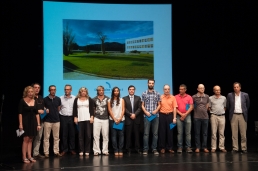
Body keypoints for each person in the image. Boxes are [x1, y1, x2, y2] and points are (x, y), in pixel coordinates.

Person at [19, 86, 41, 163]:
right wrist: (20, 124)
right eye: (29, 92)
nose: (31, 93)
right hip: (25, 122)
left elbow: (37, 114)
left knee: (31, 139)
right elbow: (20, 113)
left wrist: (38, 124)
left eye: (32, 92)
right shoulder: (22, 101)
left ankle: (29, 156)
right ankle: (24, 157)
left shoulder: (35, 101)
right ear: (26, 92)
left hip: (33, 122)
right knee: (26, 139)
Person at [226, 82, 250, 153]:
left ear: (240, 88)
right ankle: (235, 148)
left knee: (243, 133)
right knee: (234, 133)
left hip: (242, 115)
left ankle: (243, 148)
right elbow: (228, 105)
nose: (236, 88)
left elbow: (247, 105)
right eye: (234, 87)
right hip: (234, 115)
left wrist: (244, 111)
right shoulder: (230, 95)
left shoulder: (245, 95)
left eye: (237, 87)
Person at [73, 87, 94, 156]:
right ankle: (81, 150)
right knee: (80, 136)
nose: (83, 92)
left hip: (88, 119)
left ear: (86, 92)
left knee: (88, 135)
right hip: (79, 120)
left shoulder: (89, 99)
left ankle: (87, 150)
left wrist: (92, 117)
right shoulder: (76, 100)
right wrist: (75, 117)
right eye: (82, 91)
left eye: (85, 91)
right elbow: (74, 109)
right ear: (80, 92)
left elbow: (92, 109)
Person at [141, 79, 161, 155]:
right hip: (147, 116)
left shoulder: (157, 93)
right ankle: (145, 149)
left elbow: (159, 104)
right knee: (146, 133)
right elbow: (142, 105)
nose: (151, 84)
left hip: (155, 116)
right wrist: (145, 112)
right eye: (150, 83)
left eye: (152, 83)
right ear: (147, 84)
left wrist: (156, 110)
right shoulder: (144, 93)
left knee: (155, 133)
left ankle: (154, 149)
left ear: (154, 84)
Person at [43, 85, 62, 157]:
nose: (53, 91)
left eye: (54, 90)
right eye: (51, 90)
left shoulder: (58, 99)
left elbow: (59, 108)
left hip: (56, 121)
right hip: (47, 121)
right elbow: (43, 108)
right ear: (49, 91)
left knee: (56, 137)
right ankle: (46, 152)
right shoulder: (45, 99)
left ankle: (56, 151)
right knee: (46, 138)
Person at [123, 85, 142, 154]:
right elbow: (124, 108)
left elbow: (140, 108)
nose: (131, 90)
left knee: (137, 135)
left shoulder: (138, 98)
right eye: (130, 89)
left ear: (134, 90)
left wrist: (135, 114)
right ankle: (128, 149)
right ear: (128, 90)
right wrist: (130, 114)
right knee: (128, 135)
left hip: (136, 119)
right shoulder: (124, 98)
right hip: (128, 119)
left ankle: (137, 148)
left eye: (133, 89)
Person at [175, 84, 194, 153]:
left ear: (185, 90)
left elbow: (191, 107)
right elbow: (175, 108)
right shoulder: (176, 97)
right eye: (180, 89)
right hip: (179, 115)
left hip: (187, 115)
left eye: (182, 89)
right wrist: (181, 114)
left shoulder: (189, 97)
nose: (180, 90)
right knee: (180, 132)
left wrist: (185, 114)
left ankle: (188, 147)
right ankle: (180, 147)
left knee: (188, 133)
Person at [159, 84, 177, 153]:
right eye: (165, 89)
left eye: (168, 89)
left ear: (170, 90)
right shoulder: (160, 97)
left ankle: (170, 147)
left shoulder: (173, 97)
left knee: (170, 132)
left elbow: (174, 108)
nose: (167, 90)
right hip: (162, 115)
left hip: (170, 115)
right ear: (163, 90)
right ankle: (162, 147)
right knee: (162, 132)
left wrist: (174, 118)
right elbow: (158, 107)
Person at [92, 86, 110, 156]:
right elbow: (93, 109)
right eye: (100, 90)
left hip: (105, 118)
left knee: (105, 135)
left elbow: (109, 109)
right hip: (97, 118)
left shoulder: (108, 99)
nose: (101, 91)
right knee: (96, 135)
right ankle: (96, 150)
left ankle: (105, 150)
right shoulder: (94, 99)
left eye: (102, 90)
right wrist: (93, 117)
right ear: (97, 91)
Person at [209, 85, 227, 153]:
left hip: (222, 116)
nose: (218, 91)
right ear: (214, 91)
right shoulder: (210, 98)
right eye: (216, 90)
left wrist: (221, 112)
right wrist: (214, 112)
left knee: (221, 133)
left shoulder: (224, 98)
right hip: (214, 116)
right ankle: (213, 147)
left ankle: (221, 147)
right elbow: (209, 107)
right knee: (213, 132)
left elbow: (225, 107)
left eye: (219, 90)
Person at [192, 84, 210, 153]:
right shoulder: (194, 97)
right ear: (197, 89)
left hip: (205, 117)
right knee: (197, 133)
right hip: (197, 117)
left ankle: (204, 147)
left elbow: (207, 105)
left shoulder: (207, 96)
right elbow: (190, 106)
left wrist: (205, 110)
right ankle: (198, 147)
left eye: (203, 88)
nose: (202, 89)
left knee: (205, 133)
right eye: (201, 88)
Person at [59, 84, 76, 155]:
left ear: (71, 90)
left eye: (68, 89)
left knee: (72, 134)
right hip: (63, 117)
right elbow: (59, 108)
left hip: (72, 117)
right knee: (64, 134)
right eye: (65, 89)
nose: (67, 91)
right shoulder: (60, 98)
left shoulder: (75, 98)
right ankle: (64, 150)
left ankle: (71, 149)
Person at [108, 87, 125, 156]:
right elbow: (109, 110)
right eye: (115, 91)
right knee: (113, 136)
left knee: (121, 135)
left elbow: (123, 109)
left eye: (117, 91)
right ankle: (115, 150)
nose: (116, 92)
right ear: (113, 92)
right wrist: (114, 119)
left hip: (121, 120)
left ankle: (120, 149)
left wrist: (120, 118)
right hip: (112, 120)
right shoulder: (109, 100)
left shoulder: (122, 100)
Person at [32, 83, 46, 158]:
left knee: (38, 137)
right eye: (35, 87)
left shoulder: (40, 97)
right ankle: (28, 154)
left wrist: (45, 109)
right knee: (30, 137)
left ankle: (35, 153)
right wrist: (38, 110)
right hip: (31, 120)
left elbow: (42, 107)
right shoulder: (30, 97)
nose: (37, 89)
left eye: (38, 88)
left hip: (40, 120)